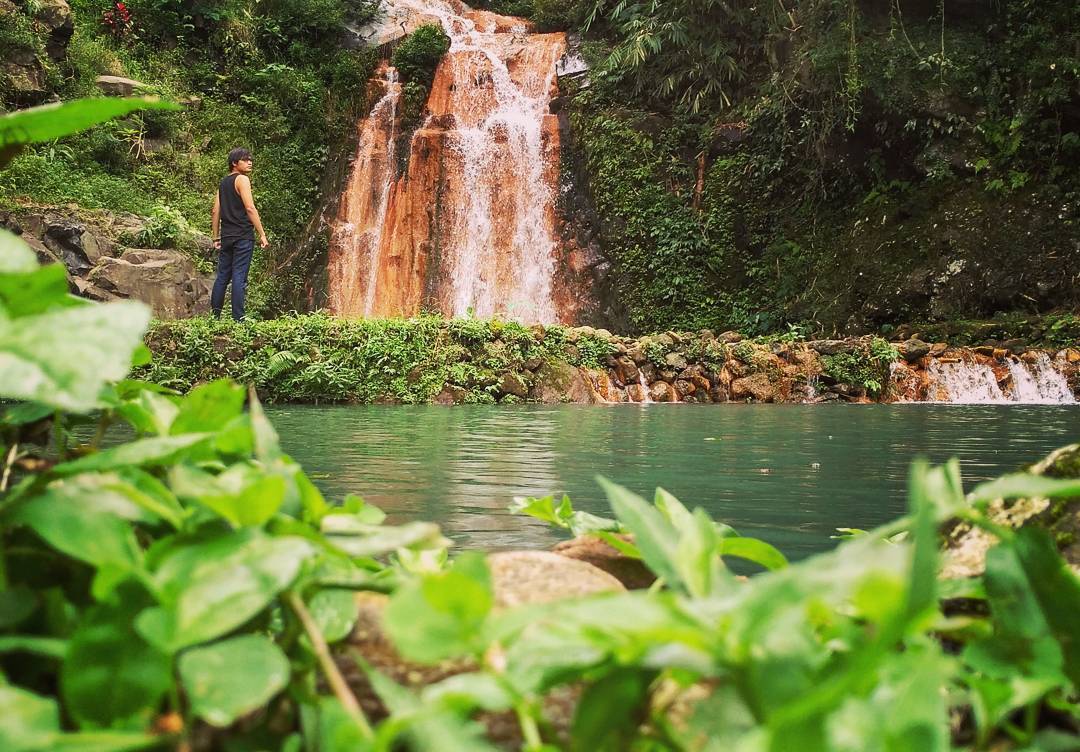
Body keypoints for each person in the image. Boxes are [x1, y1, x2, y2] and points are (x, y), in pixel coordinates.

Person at [210, 147, 269, 320]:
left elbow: (215, 211)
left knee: (222, 276)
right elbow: (250, 208)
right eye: (245, 160)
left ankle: (215, 317)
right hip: (242, 235)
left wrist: (216, 237)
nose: (250, 162)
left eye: (250, 159)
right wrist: (262, 234)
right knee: (239, 276)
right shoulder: (242, 179)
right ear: (234, 163)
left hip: (227, 236)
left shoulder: (223, 183)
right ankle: (238, 319)